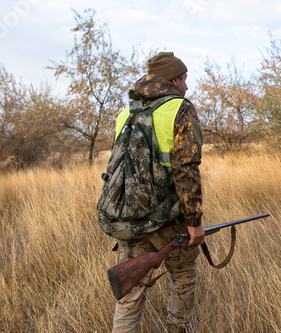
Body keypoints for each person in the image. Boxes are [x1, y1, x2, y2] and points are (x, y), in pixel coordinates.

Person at [111, 52, 205, 333]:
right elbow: (186, 170)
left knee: (129, 297)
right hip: (169, 219)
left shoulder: (126, 112)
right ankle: (179, 328)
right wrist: (194, 222)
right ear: (173, 79)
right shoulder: (181, 108)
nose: (187, 85)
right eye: (184, 78)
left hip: (129, 218)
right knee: (184, 278)